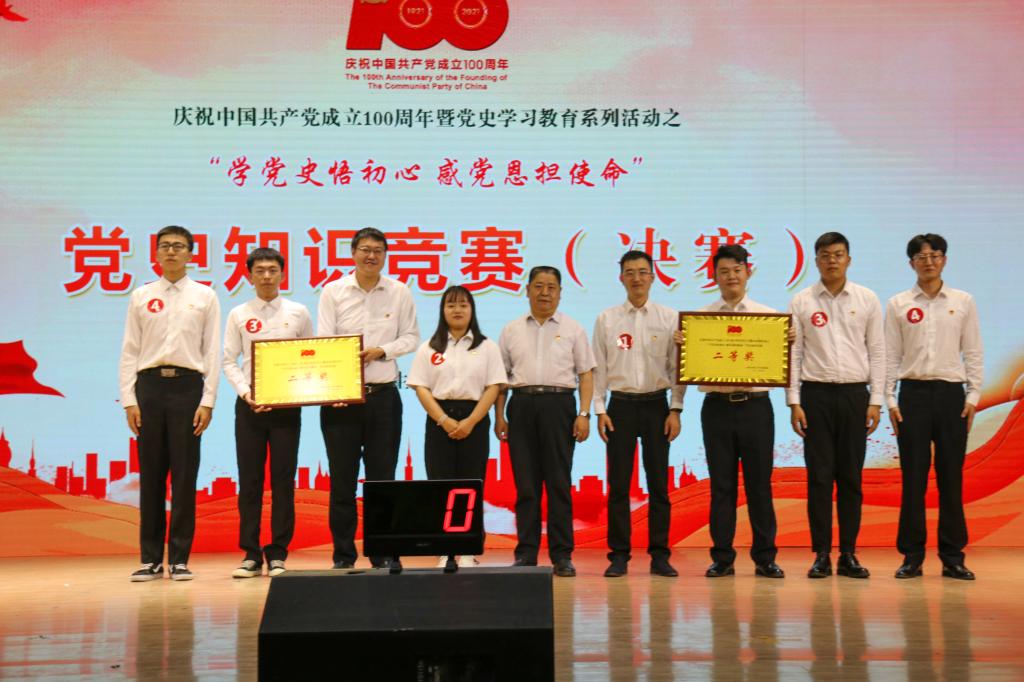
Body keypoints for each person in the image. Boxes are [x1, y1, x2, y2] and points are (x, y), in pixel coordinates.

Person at [674, 244, 786, 579]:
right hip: (717, 409)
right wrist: (686, 349)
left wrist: (785, 342)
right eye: (724, 271)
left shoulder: (769, 317)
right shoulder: (700, 320)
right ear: (714, 276)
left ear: (748, 272)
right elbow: (685, 367)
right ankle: (722, 558)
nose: (731, 276)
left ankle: (765, 557)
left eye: (737, 270)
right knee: (721, 486)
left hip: (756, 408)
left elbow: (781, 362)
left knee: (759, 486)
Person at [119, 225, 220, 582]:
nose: (172, 252)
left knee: (184, 475)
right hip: (148, 389)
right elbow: (130, 350)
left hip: (188, 388)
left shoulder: (205, 296)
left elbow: (212, 352)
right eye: (165, 246)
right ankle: (150, 559)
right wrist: (129, 399)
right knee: (150, 476)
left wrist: (208, 401)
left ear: (191, 253)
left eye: (178, 246)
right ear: (157, 253)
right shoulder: (141, 295)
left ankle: (179, 559)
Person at [318, 227, 419, 569]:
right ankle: (343, 556)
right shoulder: (333, 291)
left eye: (377, 250)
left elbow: (411, 337)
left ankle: (383, 552)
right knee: (342, 481)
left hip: (383, 398)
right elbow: (325, 342)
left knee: (382, 479)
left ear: (385, 255)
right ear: (353, 253)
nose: (371, 255)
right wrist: (334, 387)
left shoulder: (399, 291)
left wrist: (383, 351)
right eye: (365, 249)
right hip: (341, 399)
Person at [787, 232, 884, 579]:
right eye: (825, 255)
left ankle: (849, 554)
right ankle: (822, 554)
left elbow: (878, 351)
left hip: (855, 396)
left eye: (838, 254)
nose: (832, 261)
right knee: (819, 478)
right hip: (815, 397)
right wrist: (794, 401)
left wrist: (876, 400)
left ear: (848, 260)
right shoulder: (802, 301)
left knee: (851, 478)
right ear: (816, 261)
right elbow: (794, 354)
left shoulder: (867, 299)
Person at [886, 234, 982, 580]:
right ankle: (911, 556)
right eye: (921, 256)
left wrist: (972, 397)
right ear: (911, 263)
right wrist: (890, 399)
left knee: (951, 478)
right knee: (913, 479)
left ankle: (953, 556)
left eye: (935, 255)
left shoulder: (963, 301)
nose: (928, 261)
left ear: (945, 260)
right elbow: (890, 355)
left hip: (951, 396)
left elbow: (973, 351)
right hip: (911, 396)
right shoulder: (898, 303)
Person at [494, 266, 595, 577]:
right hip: (521, 405)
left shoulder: (573, 328)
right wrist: (499, 416)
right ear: (527, 290)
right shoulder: (511, 330)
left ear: (560, 293)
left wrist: (584, 413)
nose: (545, 293)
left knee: (558, 484)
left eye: (552, 287)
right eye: (538, 286)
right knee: (526, 486)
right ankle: (526, 553)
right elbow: (501, 379)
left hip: (559, 406)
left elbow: (586, 374)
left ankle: (562, 555)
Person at [222, 247, 313, 578]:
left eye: (272, 270)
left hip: (287, 409)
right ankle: (250, 553)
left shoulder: (298, 312)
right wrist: (246, 393)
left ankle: (278, 553)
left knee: (283, 481)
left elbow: (311, 355)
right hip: (250, 407)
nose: (266, 276)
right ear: (249, 276)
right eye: (259, 270)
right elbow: (228, 360)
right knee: (250, 481)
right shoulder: (238, 314)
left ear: (282, 274)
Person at [592, 250, 682, 578]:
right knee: (619, 485)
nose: (636, 278)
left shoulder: (669, 317)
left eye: (643, 272)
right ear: (621, 278)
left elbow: (677, 368)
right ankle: (619, 555)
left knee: (658, 485)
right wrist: (600, 410)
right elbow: (598, 369)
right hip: (620, 406)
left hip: (658, 406)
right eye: (630, 272)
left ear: (653, 277)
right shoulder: (607, 319)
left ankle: (660, 555)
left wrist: (676, 408)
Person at [407, 285, 507, 568]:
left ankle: (467, 549)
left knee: (471, 484)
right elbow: (421, 388)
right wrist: (444, 420)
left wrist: (471, 421)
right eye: (451, 305)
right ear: (442, 311)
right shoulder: (429, 347)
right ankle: (444, 549)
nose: (457, 310)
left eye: (463, 305)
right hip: (439, 419)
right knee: (440, 484)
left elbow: (494, 387)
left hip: (475, 418)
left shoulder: (487, 347)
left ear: (472, 310)